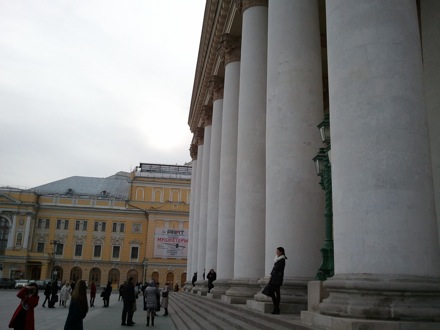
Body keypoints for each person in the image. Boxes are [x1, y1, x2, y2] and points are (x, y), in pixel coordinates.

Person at [269, 246, 287, 315]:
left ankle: (276, 308)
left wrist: (273, 274)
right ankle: (277, 308)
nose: (276, 252)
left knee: (277, 293)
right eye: (276, 251)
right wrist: (271, 275)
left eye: (277, 251)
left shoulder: (282, 260)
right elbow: (274, 269)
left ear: (281, 252)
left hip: (277, 279)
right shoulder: (277, 259)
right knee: (272, 292)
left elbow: (276, 269)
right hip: (274, 278)